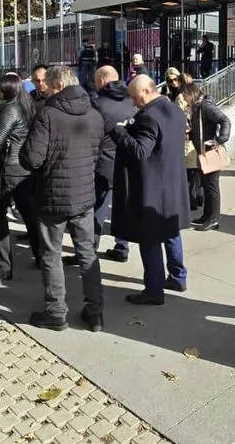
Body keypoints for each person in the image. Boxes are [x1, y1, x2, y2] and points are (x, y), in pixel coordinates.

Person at [20, 65, 105, 332]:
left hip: (53, 196)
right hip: (83, 195)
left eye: (45, 84)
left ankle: (56, 311)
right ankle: (96, 312)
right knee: (87, 253)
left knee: (51, 254)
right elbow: (96, 153)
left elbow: (31, 159)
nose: (40, 87)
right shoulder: (94, 113)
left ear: (58, 87)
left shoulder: (48, 114)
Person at [110, 75, 192, 305]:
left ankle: (154, 291)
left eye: (135, 98)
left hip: (153, 189)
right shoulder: (174, 109)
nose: (134, 104)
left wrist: (120, 132)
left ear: (147, 91)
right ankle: (178, 276)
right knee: (172, 232)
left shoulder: (148, 117)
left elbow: (139, 151)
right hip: (172, 184)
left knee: (150, 239)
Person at [0, 73, 34, 285]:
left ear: (6, 90)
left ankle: (3, 266)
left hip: (6, 169)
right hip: (22, 168)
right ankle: (39, 254)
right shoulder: (25, 106)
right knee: (29, 214)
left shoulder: (9, 109)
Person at [93, 66, 137, 263]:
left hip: (103, 164)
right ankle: (122, 246)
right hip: (127, 162)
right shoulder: (131, 102)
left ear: (102, 81)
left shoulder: (98, 105)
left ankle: (89, 247)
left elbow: (92, 137)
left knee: (97, 209)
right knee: (122, 207)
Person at [183, 82, 231, 232]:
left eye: (185, 95)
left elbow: (225, 120)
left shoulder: (205, 107)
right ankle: (207, 214)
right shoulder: (199, 107)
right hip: (203, 150)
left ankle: (214, 218)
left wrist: (220, 139)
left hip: (210, 149)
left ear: (191, 94)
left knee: (211, 185)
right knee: (206, 184)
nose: (184, 99)